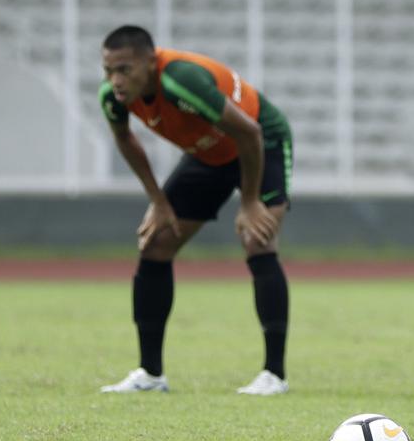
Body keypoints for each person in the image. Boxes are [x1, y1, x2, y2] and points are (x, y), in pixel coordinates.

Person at [97, 25, 293, 395]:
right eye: (108, 70)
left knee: (258, 239)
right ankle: (151, 375)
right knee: (156, 242)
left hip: (260, 139)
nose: (115, 80)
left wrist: (249, 202)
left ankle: (274, 375)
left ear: (150, 63)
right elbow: (124, 138)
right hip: (210, 153)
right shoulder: (113, 98)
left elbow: (249, 132)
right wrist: (159, 201)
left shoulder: (181, 81)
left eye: (124, 69)